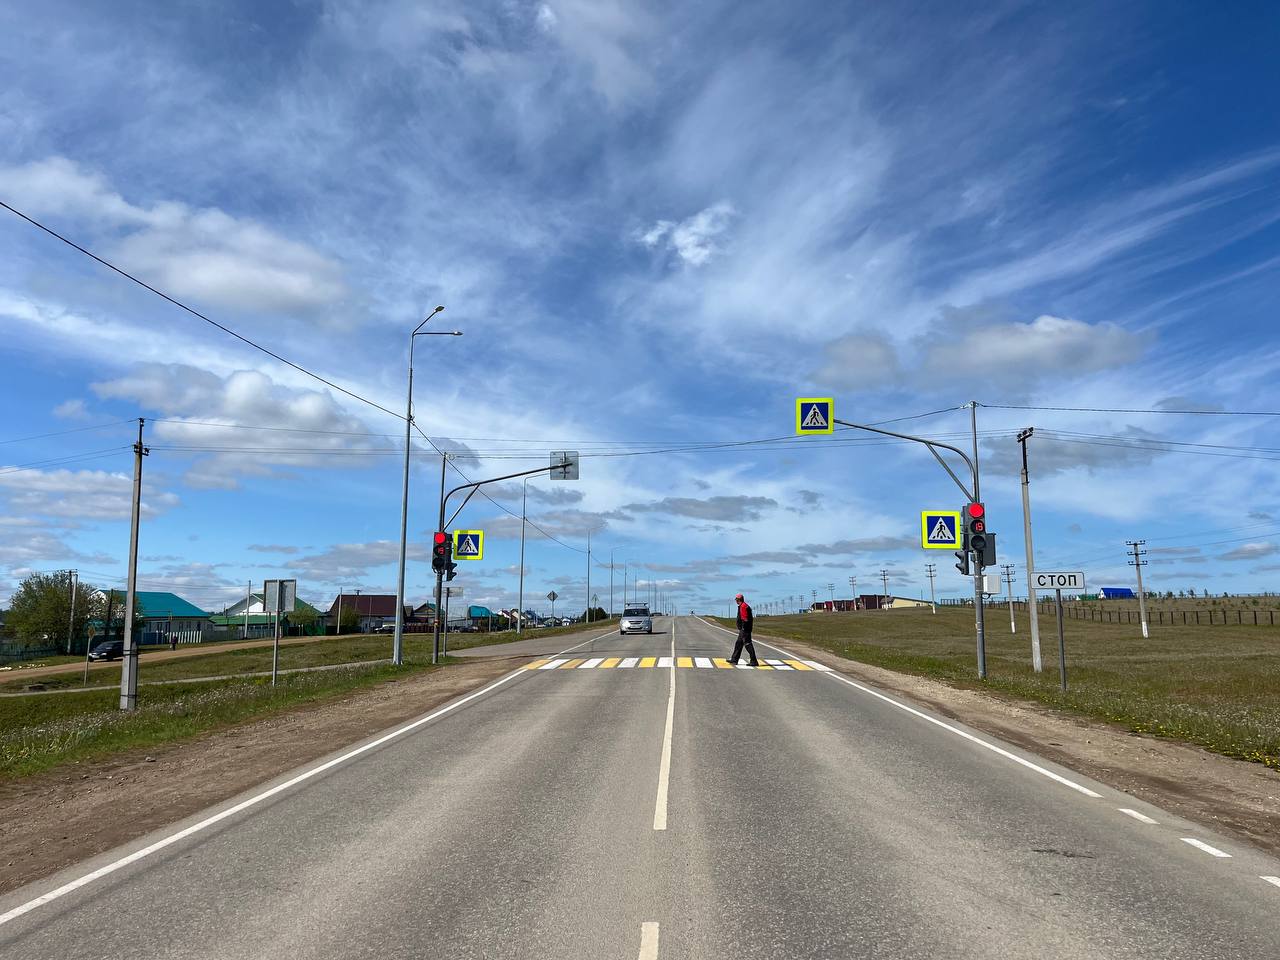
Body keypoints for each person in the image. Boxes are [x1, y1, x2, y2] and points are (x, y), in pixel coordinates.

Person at [729, 592, 759, 666]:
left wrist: (743, 628)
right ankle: (734, 659)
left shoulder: (743, 606)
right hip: (744, 629)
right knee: (738, 644)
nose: (735, 601)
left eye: (736, 599)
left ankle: (754, 661)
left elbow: (745, 619)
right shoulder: (743, 605)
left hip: (745, 629)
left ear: (738, 599)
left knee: (748, 644)